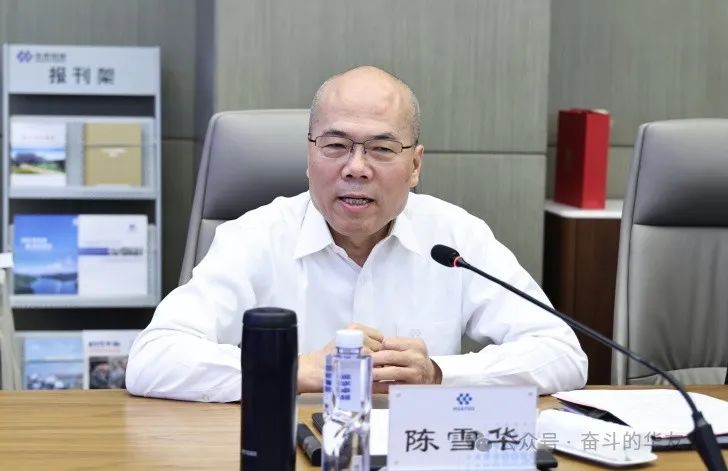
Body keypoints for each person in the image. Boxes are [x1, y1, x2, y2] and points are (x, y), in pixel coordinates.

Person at [126, 66, 587, 402]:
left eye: (381, 148)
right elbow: (153, 359)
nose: (356, 168)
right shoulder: (255, 237)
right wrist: (295, 371)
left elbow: (562, 353)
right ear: (309, 156)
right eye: (336, 145)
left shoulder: (454, 238)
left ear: (415, 165)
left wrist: (439, 374)